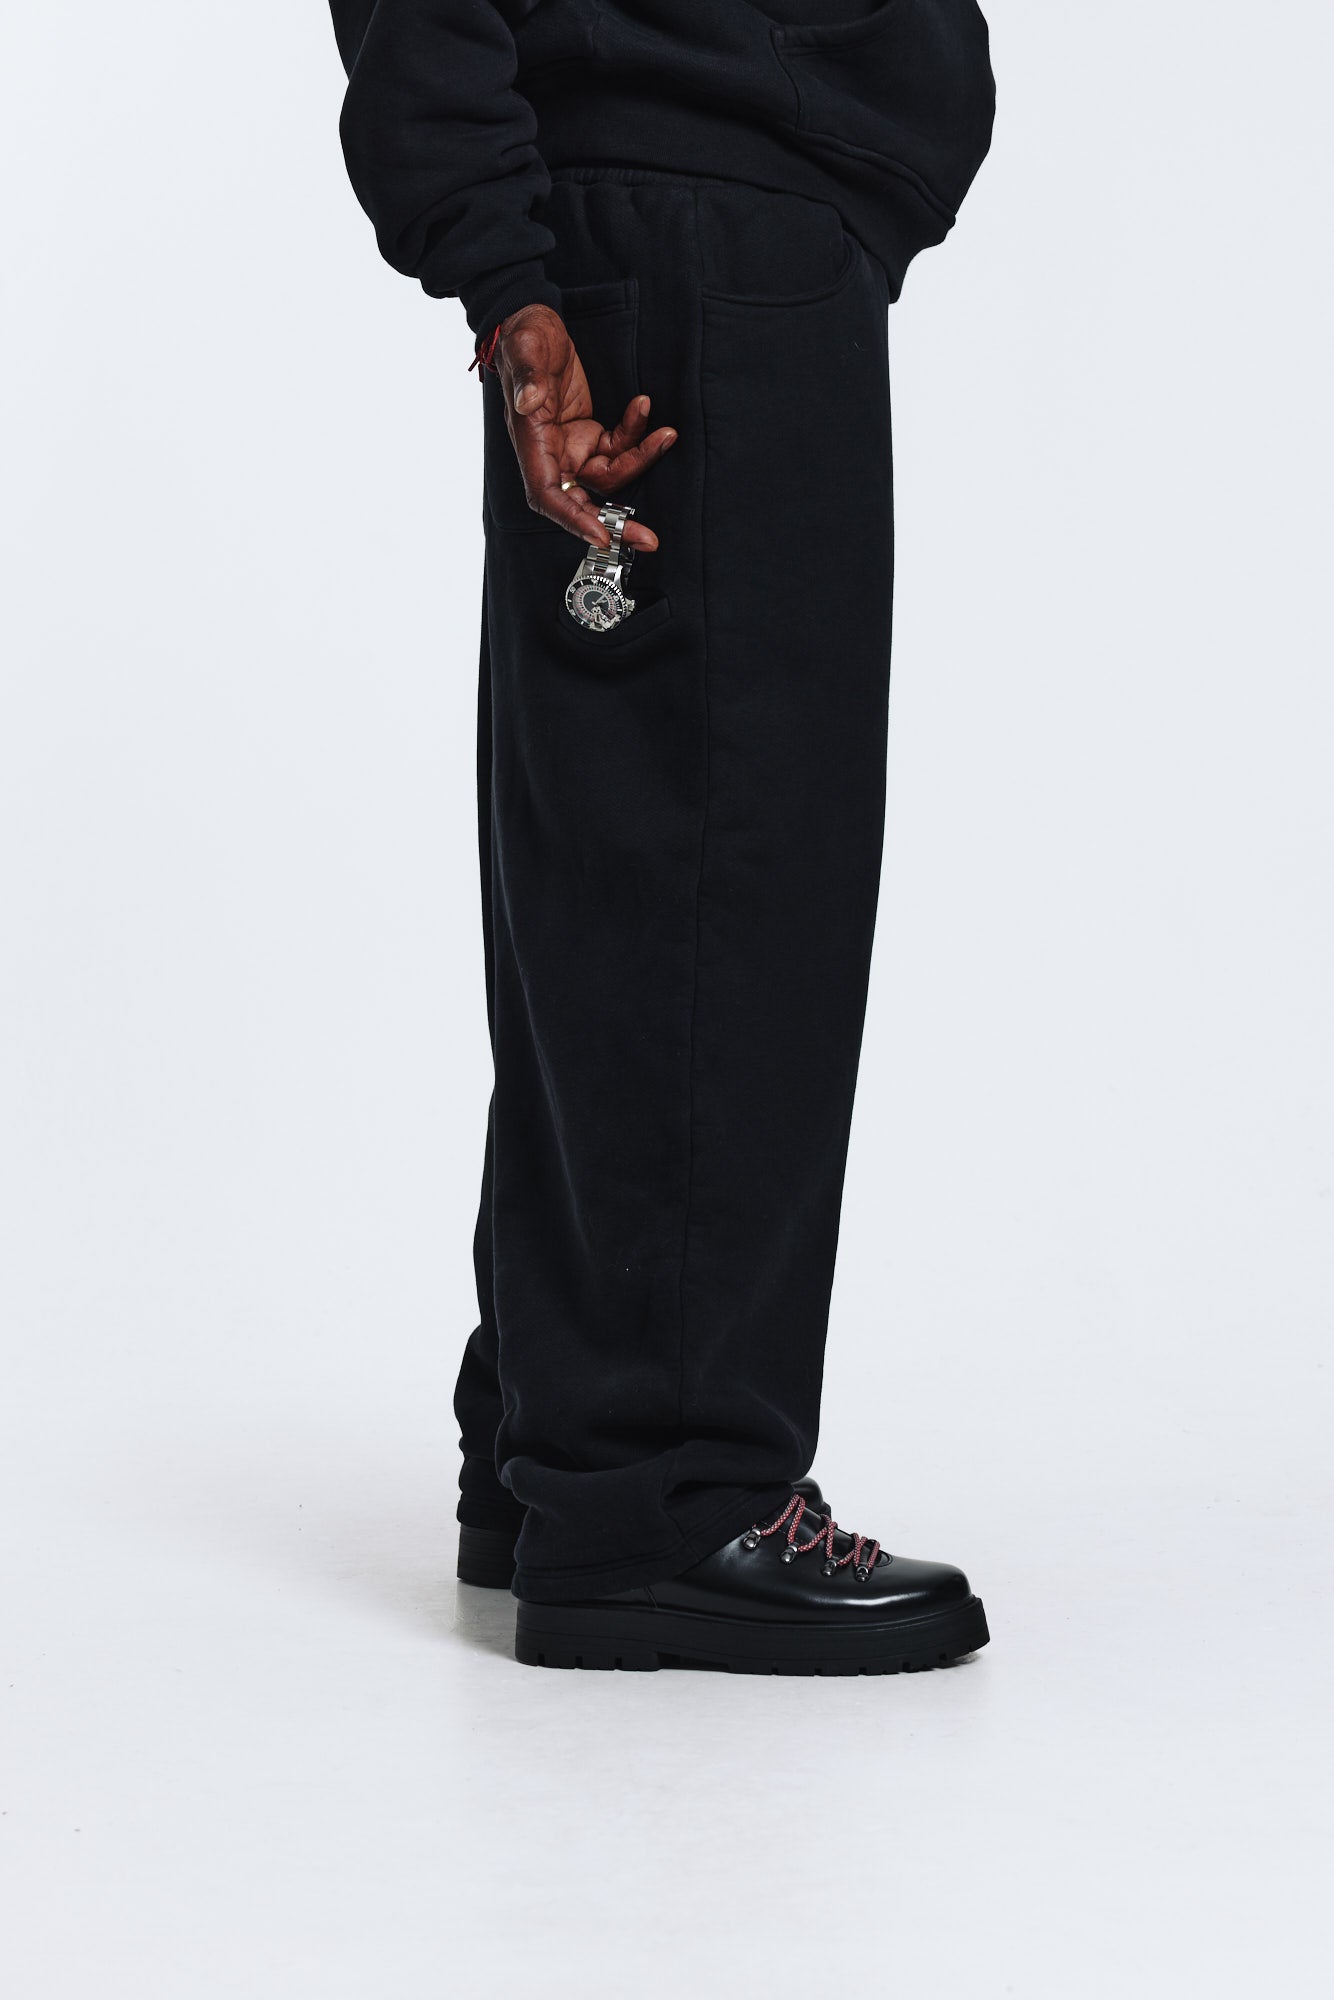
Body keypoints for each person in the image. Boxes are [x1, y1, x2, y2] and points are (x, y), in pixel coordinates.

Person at [328, 0, 996, 1674]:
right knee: (720, 868)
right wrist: (505, 272)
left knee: (640, 851)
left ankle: (558, 1440)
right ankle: (658, 1492)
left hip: (720, 221)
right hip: (690, 231)